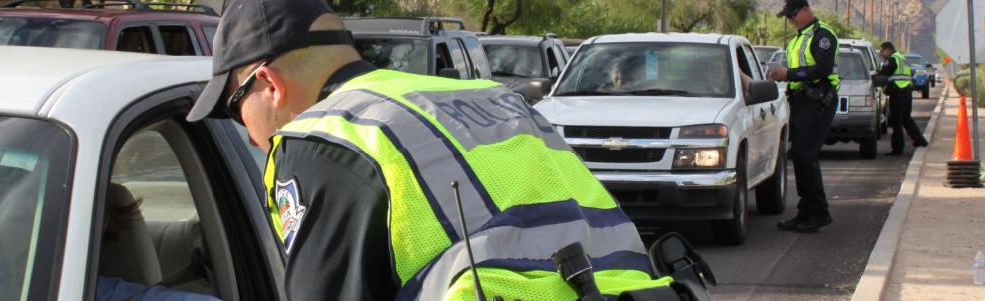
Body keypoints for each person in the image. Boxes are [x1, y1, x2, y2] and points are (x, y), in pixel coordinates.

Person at [185, 0, 674, 299]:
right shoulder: (488, 96)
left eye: (233, 107)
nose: (250, 137)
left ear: (268, 83)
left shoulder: (321, 141)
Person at [767, 0, 838, 234]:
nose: (790, 20)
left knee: (805, 155)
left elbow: (823, 69)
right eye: (787, 17)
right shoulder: (799, 37)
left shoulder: (822, 35)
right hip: (801, 100)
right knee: (798, 156)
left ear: (806, 10)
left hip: (817, 100)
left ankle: (819, 212)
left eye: (793, 15)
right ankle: (806, 211)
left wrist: (789, 74)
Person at [877, 42, 930, 155]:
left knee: (896, 121)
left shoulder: (891, 60)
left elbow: (883, 74)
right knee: (906, 119)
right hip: (906, 92)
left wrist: (875, 77)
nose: (881, 53)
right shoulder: (902, 58)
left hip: (897, 94)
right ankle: (920, 140)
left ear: (888, 50)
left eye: (882, 51)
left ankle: (898, 148)